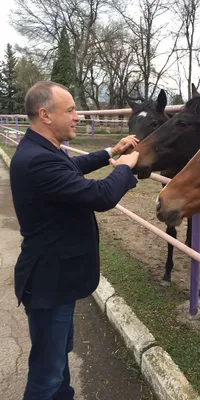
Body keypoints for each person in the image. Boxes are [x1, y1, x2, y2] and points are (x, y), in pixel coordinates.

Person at [9, 81, 140, 399]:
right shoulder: (38, 160)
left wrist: (112, 151)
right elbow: (102, 196)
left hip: (57, 281)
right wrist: (124, 167)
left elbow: (72, 166)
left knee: (57, 364)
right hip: (48, 284)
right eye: (70, 110)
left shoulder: (40, 150)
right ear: (45, 115)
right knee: (46, 377)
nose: (78, 116)